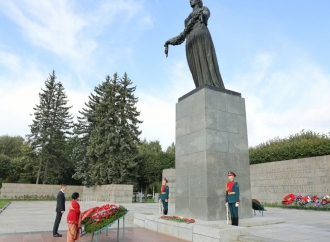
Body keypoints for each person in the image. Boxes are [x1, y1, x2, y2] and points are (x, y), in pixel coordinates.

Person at [164, 0, 225, 89]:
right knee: (195, 69)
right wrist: (169, 41)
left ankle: (211, 84)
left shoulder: (204, 9)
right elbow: (182, 35)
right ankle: (200, 86)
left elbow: (206, 15)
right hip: (190, 43)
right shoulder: (186, 20)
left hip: (201, 36)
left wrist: (200, 15)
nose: (190, 1)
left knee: (206, 61)